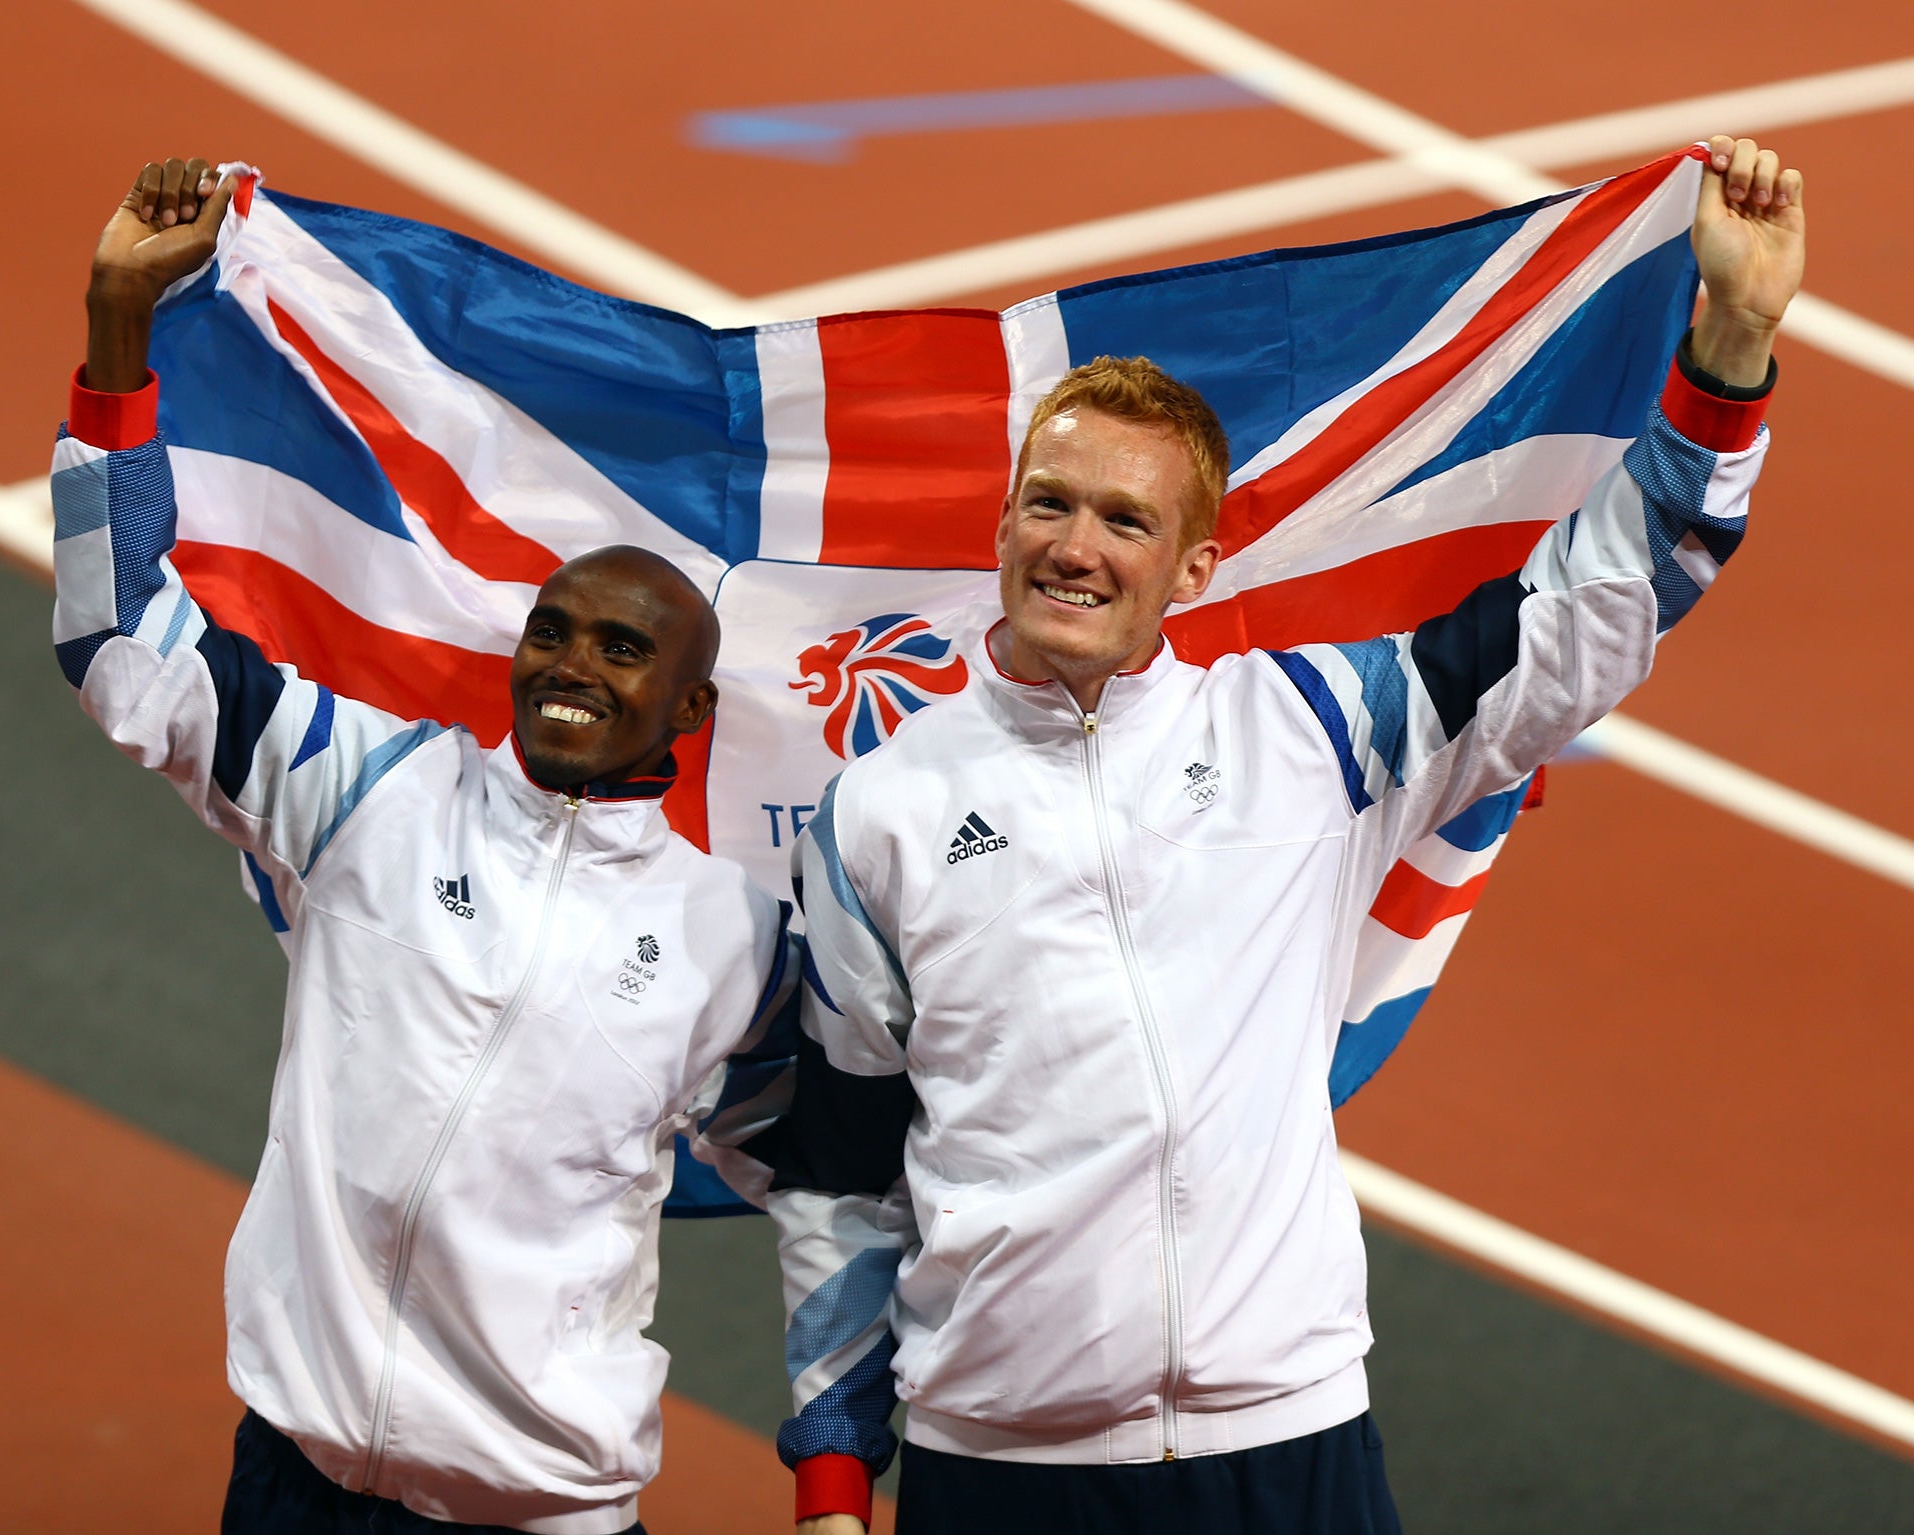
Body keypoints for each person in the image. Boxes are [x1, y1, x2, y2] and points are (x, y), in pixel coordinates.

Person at [762, 135, 1804, 1534]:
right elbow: (840, 1156)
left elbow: (1593, 608)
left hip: (1288, 1436)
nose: (1077, 544)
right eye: (1050, 503)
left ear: (1193, 569)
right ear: (1001, 522)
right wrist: (835, 1472)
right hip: (1003, 1459)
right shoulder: (883, 810)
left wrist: (1729, 352)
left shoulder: (1309, 728)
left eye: (1126, 520)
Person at [53, 158, 797, 1534]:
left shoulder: (735, 942)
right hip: (294, 1480)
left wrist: (829, 1475)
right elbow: (123, 648)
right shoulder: (368, 784)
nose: (570, 666)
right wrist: (116, 332)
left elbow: (844, 1189)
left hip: (541, 1513)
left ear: (688, 711)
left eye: (622, 649)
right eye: (552, 633)